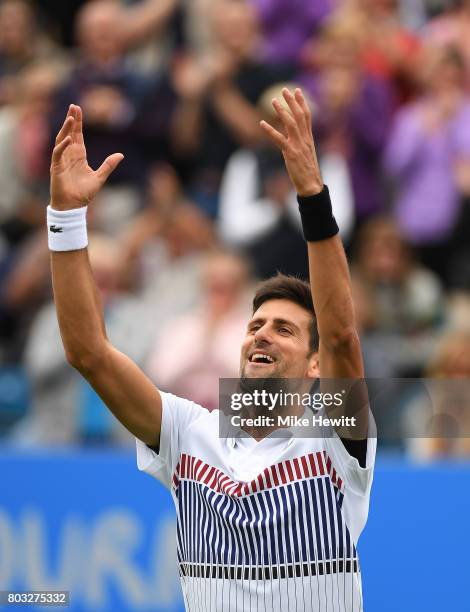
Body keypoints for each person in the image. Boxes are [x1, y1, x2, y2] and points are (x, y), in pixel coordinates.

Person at [48, 88, 375, 611]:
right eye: (255, 324)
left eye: (285, 330)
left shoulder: (335, 437)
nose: (262, 334)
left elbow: (340, 335)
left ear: (317, 365)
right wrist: (65, 218)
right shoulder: (189, 433)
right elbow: (88, 351)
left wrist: (312, 194)